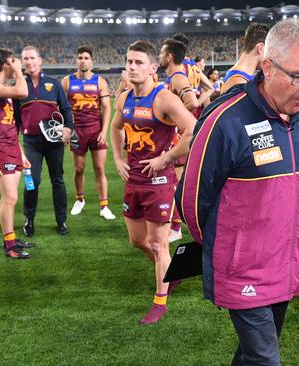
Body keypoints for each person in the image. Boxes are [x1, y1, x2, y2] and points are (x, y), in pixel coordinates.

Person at [176, 19, 299, 365]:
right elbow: (191, 200)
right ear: (268, 67)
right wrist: (228, 250)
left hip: (285, 263)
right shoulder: (225, 119)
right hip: (243, 270)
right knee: (265, 360)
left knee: (251, 356)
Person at [110, 40, 196, 325]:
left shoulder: (164, 98)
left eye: (138, 62)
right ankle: (175, 270)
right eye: (129, 62)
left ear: (151, 68)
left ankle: (161, 302)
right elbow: (115, 127)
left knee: (158, 244)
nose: (132, 67)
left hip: (159, 180)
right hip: (133, 178)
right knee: (137, 240)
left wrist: (166, 158)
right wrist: (117, 157)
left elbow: (192, 130)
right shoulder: (123, 98)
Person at [0, 47, 34, 259]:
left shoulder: (0, 87)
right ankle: (9, 245)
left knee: (13, 197)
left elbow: (10, 125)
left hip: (11, 146)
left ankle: (11, 239)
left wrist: (21, 152)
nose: (17, 63)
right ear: (5, 65)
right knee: (9, 197)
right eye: (13, 61)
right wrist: (19, 71)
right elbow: (23, 92)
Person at [14, 45, 74, 236]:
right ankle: (29, 219)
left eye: (32, 58)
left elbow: (65, 110)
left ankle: (61, 221)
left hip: (54, 142)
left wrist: (68, 128)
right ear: (22, 62)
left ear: (40, 60)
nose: (29, 62)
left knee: (58, 181)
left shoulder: (54, 84)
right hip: (31, 142)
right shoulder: (19, 87)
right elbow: (14, 119)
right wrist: (14, 142)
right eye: (26, 59)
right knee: (33, 181)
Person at [63, 45, 115, 220]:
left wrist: (104, 130)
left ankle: (104, 206)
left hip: (95, 130)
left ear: (91, 61)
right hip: (77, 131)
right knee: (79, 168)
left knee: (100, 168)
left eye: (86, 57)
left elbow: (107, 108)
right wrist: (66, 128)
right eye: (80, 57)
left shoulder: (100, 81)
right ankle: (79, 199)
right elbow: (61, 107)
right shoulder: (67, 82)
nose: (83, 60)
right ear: (76, 60)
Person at [159, 38, 200, 242]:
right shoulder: (176, 77)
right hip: (176, 136)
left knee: (178, 185)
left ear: (169, 56)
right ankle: (178, 226)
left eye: (161, 53)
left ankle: (179, 227)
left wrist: (176, 117)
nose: (159, 57)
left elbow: (191, 101)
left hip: (179, 138)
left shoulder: (177, 77)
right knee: (175, 183)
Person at [221, 23, 270, 94]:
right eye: (269, 51)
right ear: (261, 48)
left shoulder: (242, 77)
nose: (270, 57)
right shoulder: (238, 81)